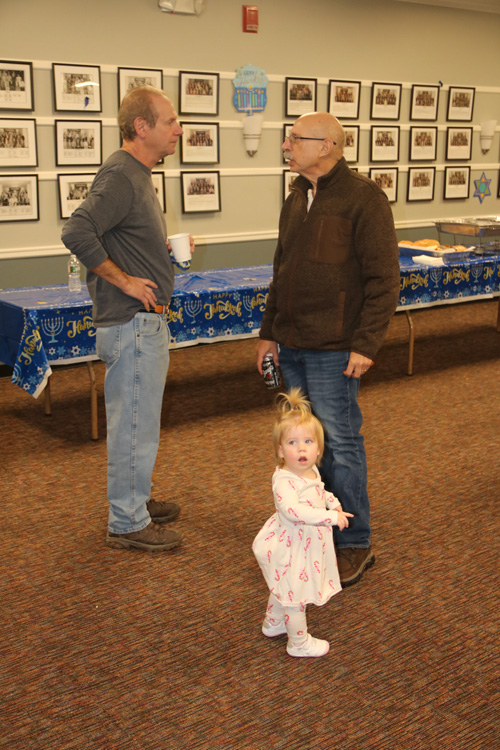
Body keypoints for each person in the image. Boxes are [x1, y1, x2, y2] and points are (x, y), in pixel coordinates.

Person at [257, 112, 400, 587]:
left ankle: (355, 541)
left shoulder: (365, 199)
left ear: (327, 146)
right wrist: (268, 332)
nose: (286, 146)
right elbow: (281, 272)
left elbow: (385, 280)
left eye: (294, 139)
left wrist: (366, 343)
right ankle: (316, 527)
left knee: (339, 443)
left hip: (336, 348)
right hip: (292, 343)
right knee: (302, 444)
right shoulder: (295, 197)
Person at [62, 85, 191, 552]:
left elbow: (119, 237)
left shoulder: (137, 173)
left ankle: (136, 500)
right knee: (133, 424)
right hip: (131, 321)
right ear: (142, 126)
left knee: (141, 422)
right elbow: (77, 230)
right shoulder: (121, 173)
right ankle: (127, 521)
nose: (179, 130)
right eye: (170, 121)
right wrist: (126, 282)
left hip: (140, 323)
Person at [252, 388, 353, 658]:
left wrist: (332, 502)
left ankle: (273, 622)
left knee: (284, 585)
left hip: (306, 542)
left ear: (318, 448)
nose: (301, 448)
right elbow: (293, 511)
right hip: (292, 547)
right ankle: (298, 643)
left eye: (308, 441)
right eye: (292, 443)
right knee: (295, 595)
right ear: (280, 450)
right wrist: (329, 517)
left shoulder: (310, 470)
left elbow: (319, 490)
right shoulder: (284, 481)